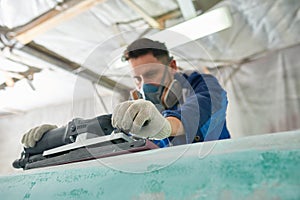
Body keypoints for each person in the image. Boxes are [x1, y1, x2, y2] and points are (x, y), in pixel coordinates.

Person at [21, 38, 230, 148]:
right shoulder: (138, 111)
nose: (143, 85)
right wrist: (56, 138)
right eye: (137, 79)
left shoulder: (198, 83)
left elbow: (203, 104)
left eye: (151, 74)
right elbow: (107, 138)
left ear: (173, 66)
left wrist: (166, 126)